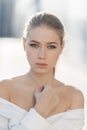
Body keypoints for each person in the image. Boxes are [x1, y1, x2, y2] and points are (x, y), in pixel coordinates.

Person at [0, 12, 84, 130]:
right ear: (24, 44)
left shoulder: (73, 97)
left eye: (51, 46)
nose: (42, 55)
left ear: (62, 47)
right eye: (34, 45)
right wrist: (40, 111)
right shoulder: (4, 89)